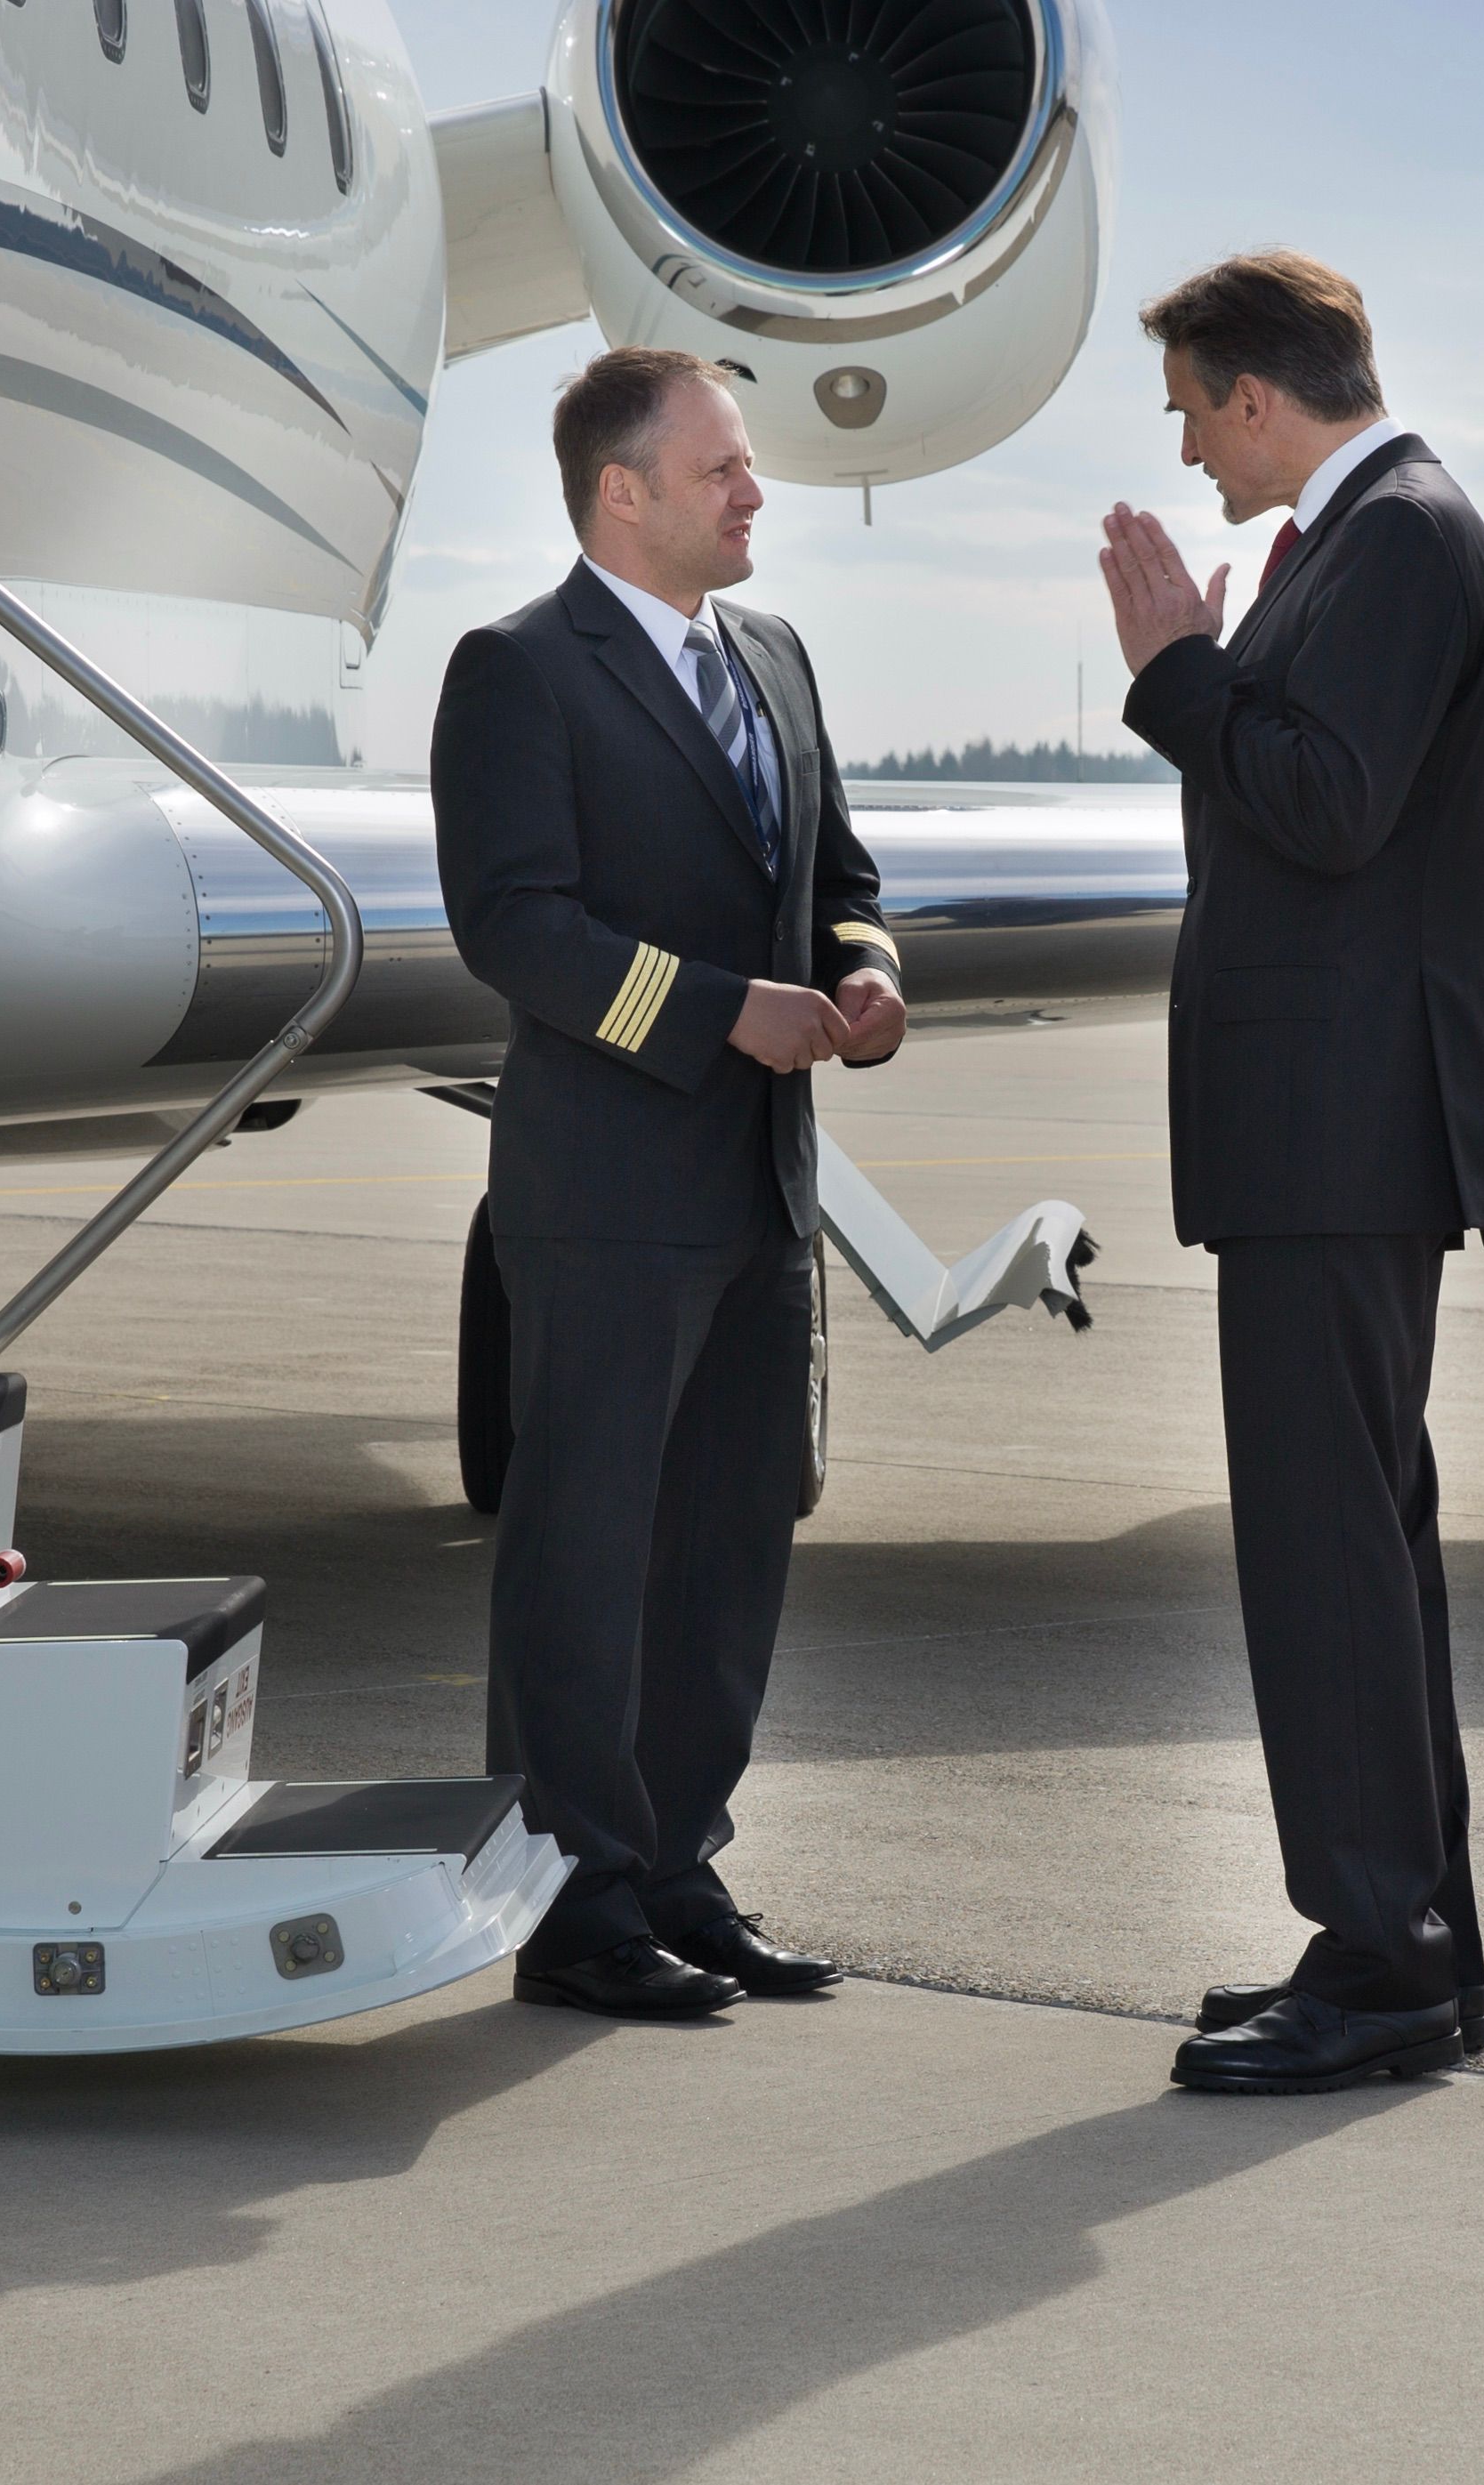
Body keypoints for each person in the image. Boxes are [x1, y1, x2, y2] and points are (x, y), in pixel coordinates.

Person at [432, 345, 907, 2018]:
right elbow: (518, 929)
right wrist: (726, 1016)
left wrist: (862, 973)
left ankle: (679, 1867)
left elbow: (837, 873)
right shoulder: (517, 672)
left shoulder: (771, 658)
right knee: (586, 1551)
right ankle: (568, 1898)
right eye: (720, 469)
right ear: (620, 492)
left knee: (725, 1553)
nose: (753, 491)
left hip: (760, 1191)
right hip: (608, 1195)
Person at [1094, 252, 1484, 2095]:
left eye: (1188, 405)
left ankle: (1379, 1960)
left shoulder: (1398, 537)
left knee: (1323, 1550)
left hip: (1336, 1136)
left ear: (1256, 395)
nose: (1183, 445)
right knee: (1356, 1542)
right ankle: (1406, 1935)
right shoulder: (1353, 542)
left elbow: (1326, 806)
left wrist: (1174, 671)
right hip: (1325, 1132)